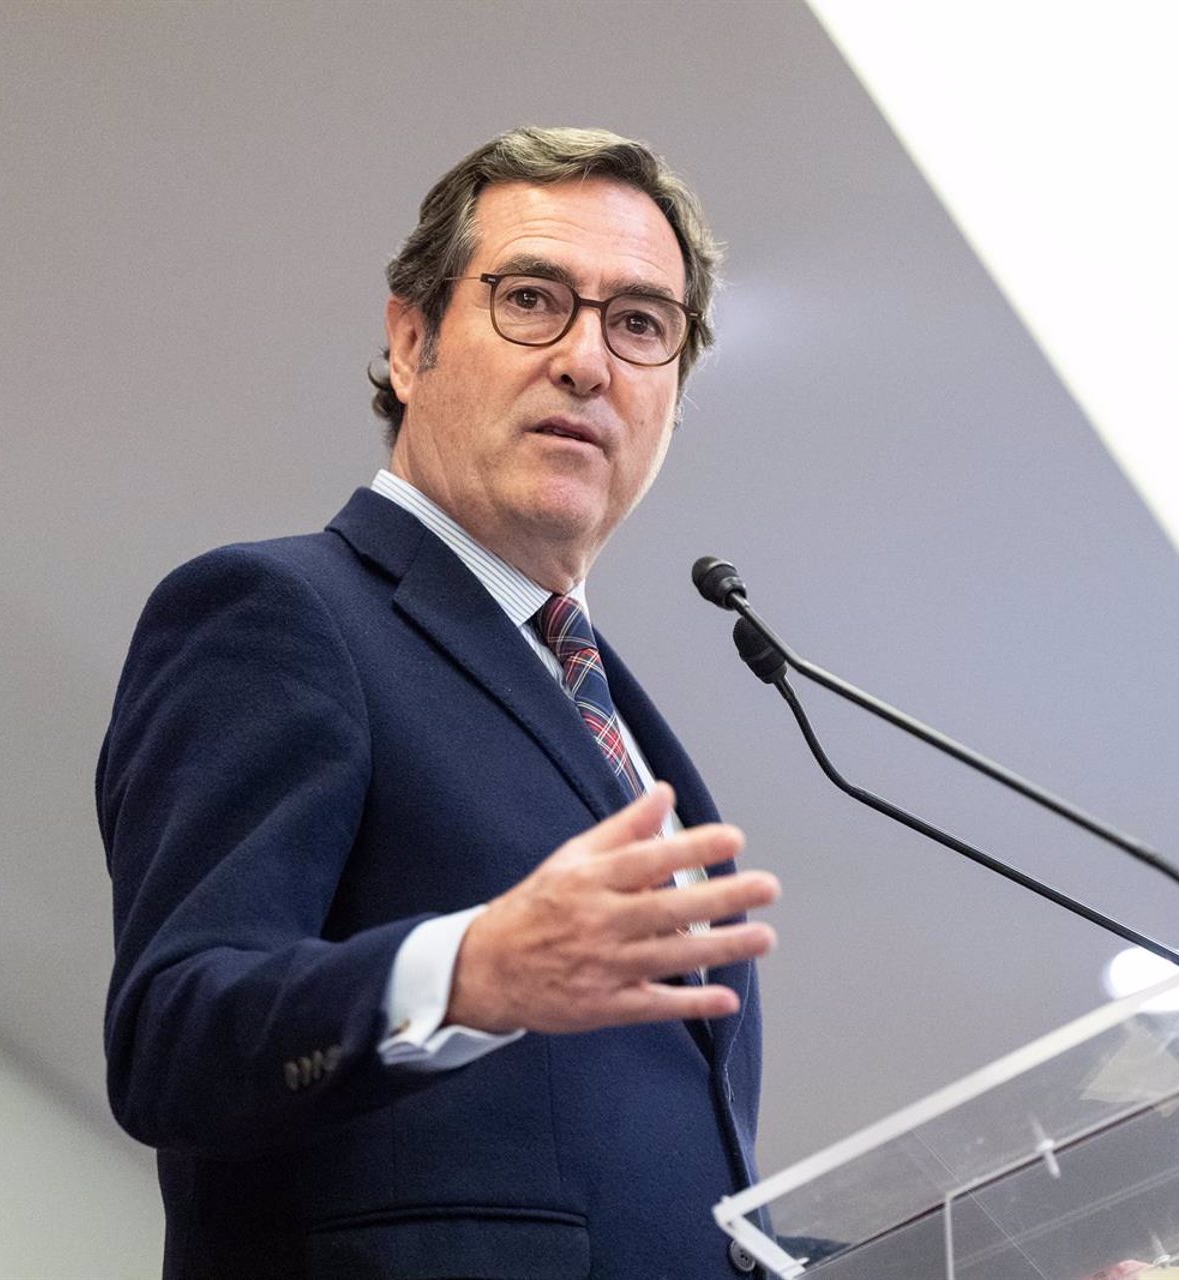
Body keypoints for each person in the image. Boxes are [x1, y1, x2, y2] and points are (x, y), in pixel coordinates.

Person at [98, 126, 779, 1280]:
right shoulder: (282, 612)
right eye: (532, 300)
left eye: (639, 324)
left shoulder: (627, 731)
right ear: (411, 342)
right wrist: (468, 971)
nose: (587, 361)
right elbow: (175, 1040)